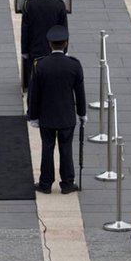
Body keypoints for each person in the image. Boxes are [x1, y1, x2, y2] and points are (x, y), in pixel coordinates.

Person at [27, 25, 87, 194]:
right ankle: (67, 183)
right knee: (66, 149)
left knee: (47, 148)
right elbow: (79, 92)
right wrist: (82, 113)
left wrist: (33, 116)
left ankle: (45, 183)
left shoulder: (40, 65)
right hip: (67, 116)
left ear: (49, 44)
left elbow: (34, 93)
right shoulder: (74, 65)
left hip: (47, 116)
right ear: (66, 43)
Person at [22, 0, 68, 91]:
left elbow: (25, 29)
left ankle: (31, 108)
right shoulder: (59, 5)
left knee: (34, 83)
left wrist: (24, 51)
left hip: (35, 49)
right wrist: (64, 50)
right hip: (53, 47)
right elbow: (64, 28)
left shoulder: (29, 4)